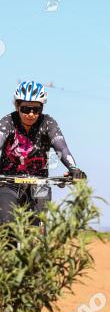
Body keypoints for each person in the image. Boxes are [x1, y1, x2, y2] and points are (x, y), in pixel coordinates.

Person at [0, 81, 86, 224]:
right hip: (8, 182)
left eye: (36, 110)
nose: (31, 114)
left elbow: (61, 148)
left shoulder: (48, 123)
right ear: (17, 106)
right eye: (26, 109)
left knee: (37, 227)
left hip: (39, 182)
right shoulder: (7, 122)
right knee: (8, 223)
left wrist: (73, 169)